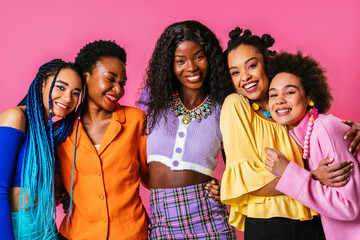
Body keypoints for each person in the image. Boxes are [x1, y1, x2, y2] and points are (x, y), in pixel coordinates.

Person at [220, 27, 360, 239]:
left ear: (267, 63)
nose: (245, 77)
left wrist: (354, 129)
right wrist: (313, 176)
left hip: (314, 219)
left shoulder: (288, 113)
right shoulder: (236, 105)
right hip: (270, 223)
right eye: (235, 72)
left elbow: (321, 132)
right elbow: (247, 184)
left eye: (251, 65)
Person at [138, 20, 237, 239]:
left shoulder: (224, 106)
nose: (191, 67)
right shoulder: (151, 99)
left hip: (208, 217)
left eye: (199, 57)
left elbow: (237, 164)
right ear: (168, 64)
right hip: (162, 218)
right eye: (180, 61)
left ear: (211, 58)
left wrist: (228, 189)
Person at [55, 40, 149, 240]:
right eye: (110, 79)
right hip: (77, 234)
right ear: (86, 77)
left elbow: (153, 178)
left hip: (130, 234)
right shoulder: (59, 132)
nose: (118, 90)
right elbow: (56, 189)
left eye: (122, 83)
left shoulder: (136, 121)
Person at [265, 51, 360, 240]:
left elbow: (347, 206)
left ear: (309, 96)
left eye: (289, 92)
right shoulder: (299, 135)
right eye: (273, 95)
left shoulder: (325, 128)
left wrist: (288, 172)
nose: (279, 100)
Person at [0, 59, 83, 240]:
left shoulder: (48, 132)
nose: (68, 98)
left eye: (75, 93)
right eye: (60, 87)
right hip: (20, 227)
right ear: (42, 83)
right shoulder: (16, 117)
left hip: (45, 225)